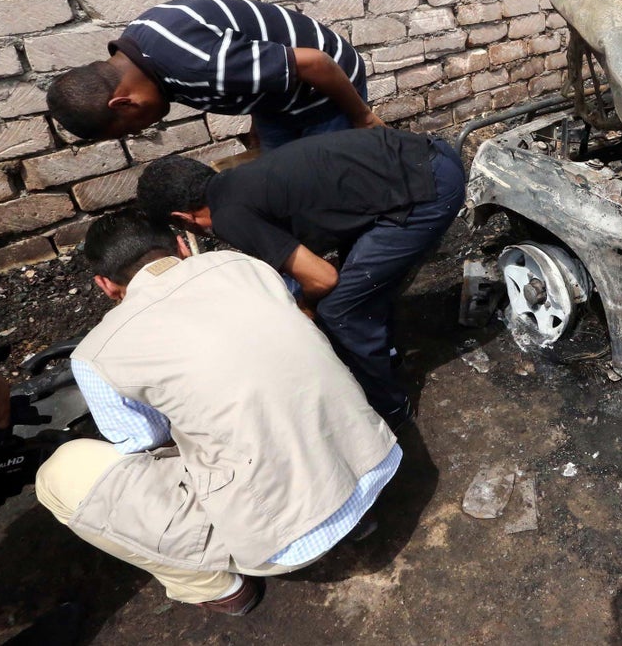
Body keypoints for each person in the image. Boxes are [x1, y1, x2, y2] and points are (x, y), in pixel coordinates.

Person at [33, 212, 401, 615]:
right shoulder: (246, 266)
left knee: (60, 474)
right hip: (374, 462)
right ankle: (352, 516)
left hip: (289, 539)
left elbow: (143, 441)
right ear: (179, 246)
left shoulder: (95, 353)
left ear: (105, 285)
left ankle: (216, 587)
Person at [136, 127, 466, 427]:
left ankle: (390, 409)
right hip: (424, 157)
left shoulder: (229, 216)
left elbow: (322, 278)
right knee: (361, 283)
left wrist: (305, 305)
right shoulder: (238, 179)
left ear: (182, 217)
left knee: (340, 309)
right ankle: (387, 353)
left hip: (429, 191)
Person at [45, 0, 384, 148]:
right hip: (278, 97)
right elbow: (251, 67)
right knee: (285, 176)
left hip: (325, 87)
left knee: (333, 179)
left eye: (130, 129)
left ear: (123, 104)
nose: (144, 128)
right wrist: (256, 126)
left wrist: (363, 117)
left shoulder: (201, 64)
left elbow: (316, 63)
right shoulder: (141, 44)